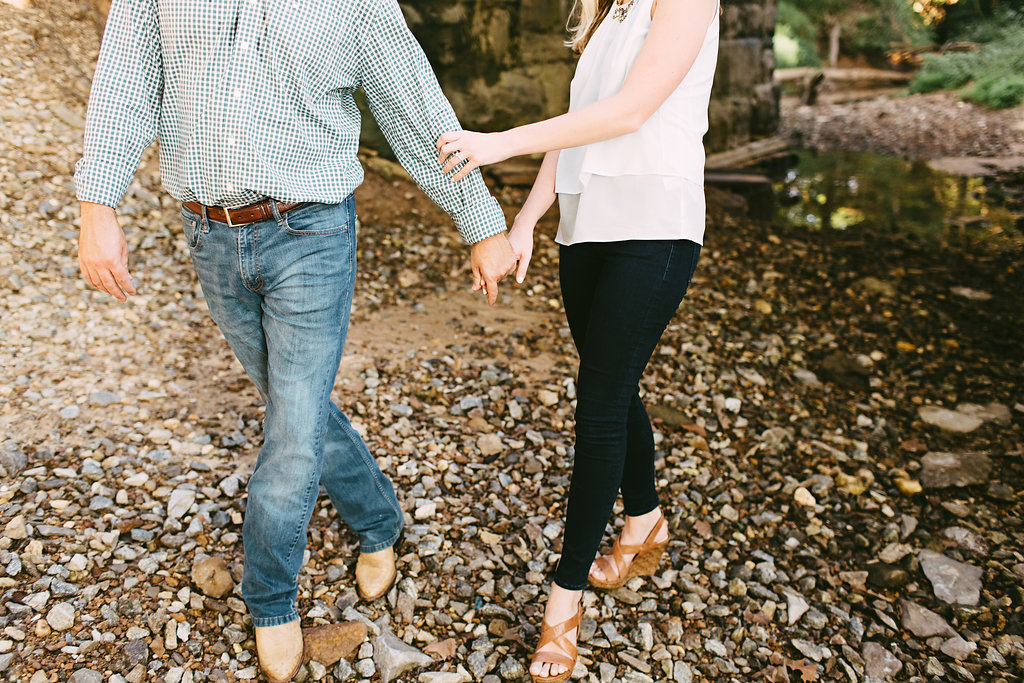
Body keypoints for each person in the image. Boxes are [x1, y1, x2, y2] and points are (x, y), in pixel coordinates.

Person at [75, 1, 518, 681]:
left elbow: (414, 108)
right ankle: (379, 520)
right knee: (295, 409)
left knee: (290, 433)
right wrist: (96, 204)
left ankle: (271, 596)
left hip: (311, 236)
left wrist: (480, 220)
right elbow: (126, 83)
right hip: (209, 234)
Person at [436, 0, 720, 680]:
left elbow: (628, 112)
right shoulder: (605, 11)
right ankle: (645, 519)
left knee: (597, 408)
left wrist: (500, 141)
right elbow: (579, 125)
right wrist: (528, 220)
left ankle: (562, 609)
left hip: (656, 223)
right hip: (586, 228)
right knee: (613, 391)